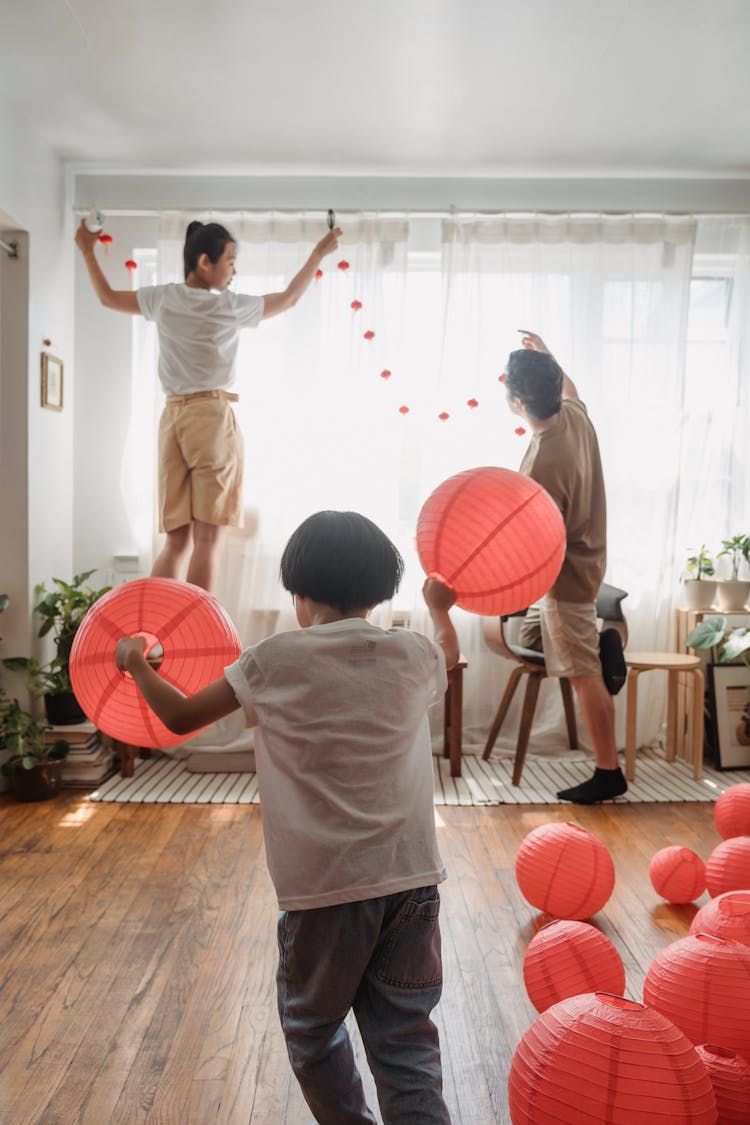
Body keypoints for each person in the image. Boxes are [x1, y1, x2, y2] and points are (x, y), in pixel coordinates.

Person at [115, 509, 458, 1124]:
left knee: (313, 1030)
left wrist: (138, 662)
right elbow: (450, 659)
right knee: (405, 1041)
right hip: (413, 883)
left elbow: (181, 719)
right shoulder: (412, 653)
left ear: (298, 592)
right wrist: (440, 610)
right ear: (383, 590)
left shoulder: (272, 660)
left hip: (325, 890)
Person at [75, 218, 342, 592]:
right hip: (210, 420)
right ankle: (197, 644)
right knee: (207, 541)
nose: (233, 271)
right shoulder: (228, 307)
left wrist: (87, 250)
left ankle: (152, 635)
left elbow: (107, 297)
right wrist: (318, 253)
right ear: (205, 262)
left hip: (172, 419)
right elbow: (288, 298)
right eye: (230, 261)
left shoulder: (163, 298)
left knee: (176, 541)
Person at [504, 329, 627, 804]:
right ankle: (600, 644)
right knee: (534, 638)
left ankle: (608, 771)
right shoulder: (573, 413)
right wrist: (549, 355)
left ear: (517, 402)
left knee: (581, 673)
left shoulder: (543, 465)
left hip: (568, 579)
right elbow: (572, 388)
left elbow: (538, 540)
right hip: (586, 561)